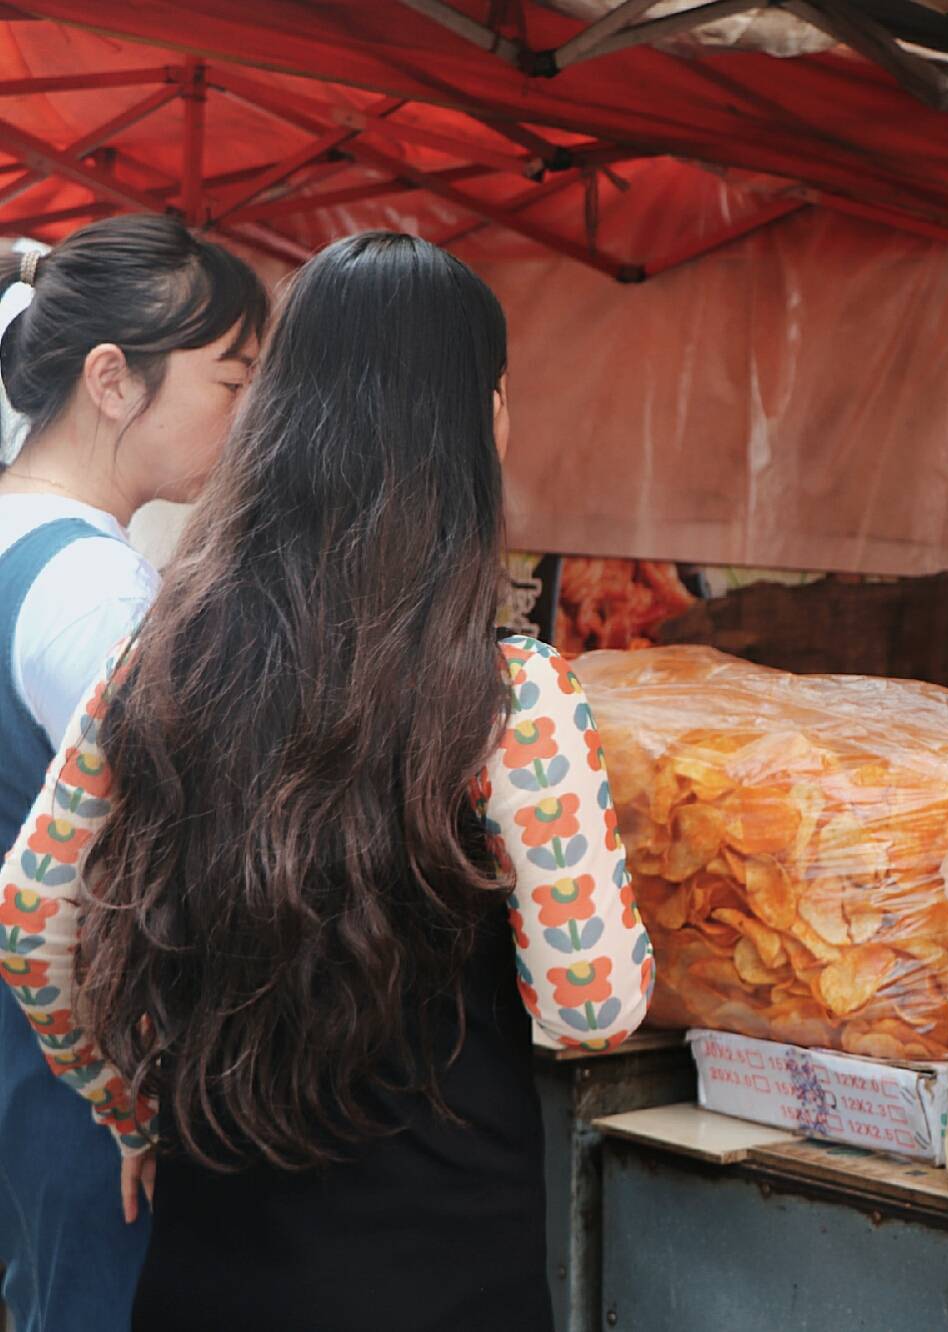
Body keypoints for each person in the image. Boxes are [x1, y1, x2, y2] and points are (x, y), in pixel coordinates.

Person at [0, 232, 653, 1330]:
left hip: (210, 1266)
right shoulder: (512, 695)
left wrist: (127, 1108)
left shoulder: (155, 659)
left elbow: (30, 918)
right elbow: (592, 1008)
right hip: (441, 1277)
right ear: (483, 420)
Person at [0, 213, 266, 1331]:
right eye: (231, 380)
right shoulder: (94, 592)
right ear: (113, 380)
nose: (247, 414)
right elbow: (172, 861)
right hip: (86, 1084)